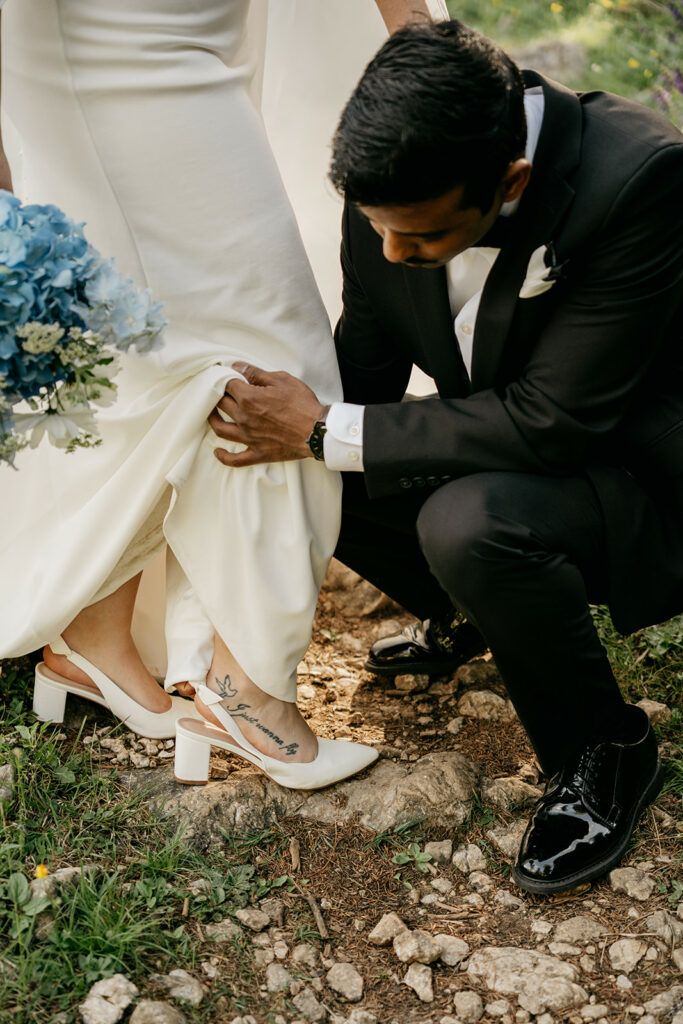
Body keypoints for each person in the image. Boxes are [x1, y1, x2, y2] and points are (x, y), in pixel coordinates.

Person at [208, 19, 683, 890]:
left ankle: (604, 749)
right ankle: (479, 614)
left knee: (463, 519)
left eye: (419, 241)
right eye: (376, 231)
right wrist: (289, 429)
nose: (393, 256)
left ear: (510, 182)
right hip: (535, 446)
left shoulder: (641, 177)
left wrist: (325, 429)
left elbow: (554, 422)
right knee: (321, 467)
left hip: (644, 476)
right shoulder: (392, 191)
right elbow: (369, 378)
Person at [0, 0, 437, 785]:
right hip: (112, 58)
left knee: (147, 358)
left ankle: (91, 641)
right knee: (274, 370)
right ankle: (246, 695)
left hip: (205, 36)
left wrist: (427, 48)